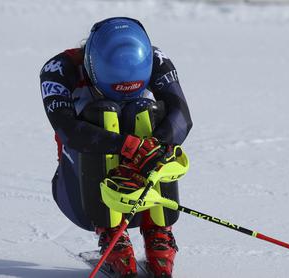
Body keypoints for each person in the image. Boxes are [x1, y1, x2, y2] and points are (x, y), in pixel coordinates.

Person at [40, 17, 192, 277]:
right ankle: (112, 235)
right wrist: (127, 146)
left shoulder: (156, 59)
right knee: (104, 112)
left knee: (144, 112)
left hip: (142, 189)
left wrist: (154, 146)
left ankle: (159, 234)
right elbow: (68, 131)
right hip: (80, 190)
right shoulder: (59, 69)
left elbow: (181, 116)